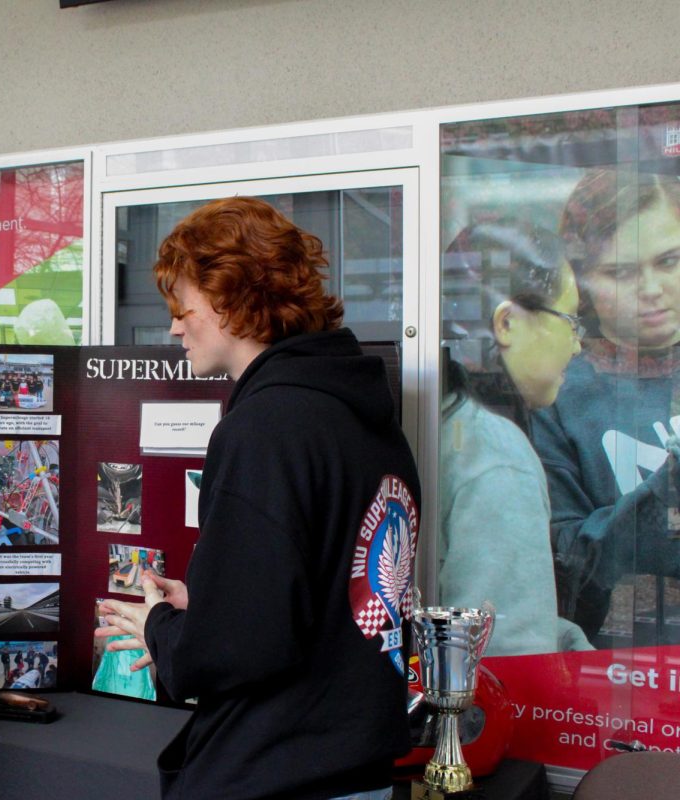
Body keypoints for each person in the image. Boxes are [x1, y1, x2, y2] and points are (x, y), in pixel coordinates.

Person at [97, 197, 420, 800]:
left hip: (277, 769)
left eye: (181, 305)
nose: (173, 326)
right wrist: (212, 602)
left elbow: (235, 649)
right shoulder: (367, 420)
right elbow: (336, 596)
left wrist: (160, 629)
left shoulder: (265, 427)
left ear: (229, 300)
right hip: (357, 768)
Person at [531, 169, 680, 644]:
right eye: (621, 271)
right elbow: (567, 563)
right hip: (622, 672)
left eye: (669, 261)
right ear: (581, 282)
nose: (652, 288)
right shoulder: (556, 390)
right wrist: (667, 489)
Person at [439, 222, 592, 655]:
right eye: (571, 321)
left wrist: (558, 633)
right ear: (506, 322)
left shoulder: (440, 418)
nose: (577, 346)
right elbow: (505, 653)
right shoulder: (495, 452)